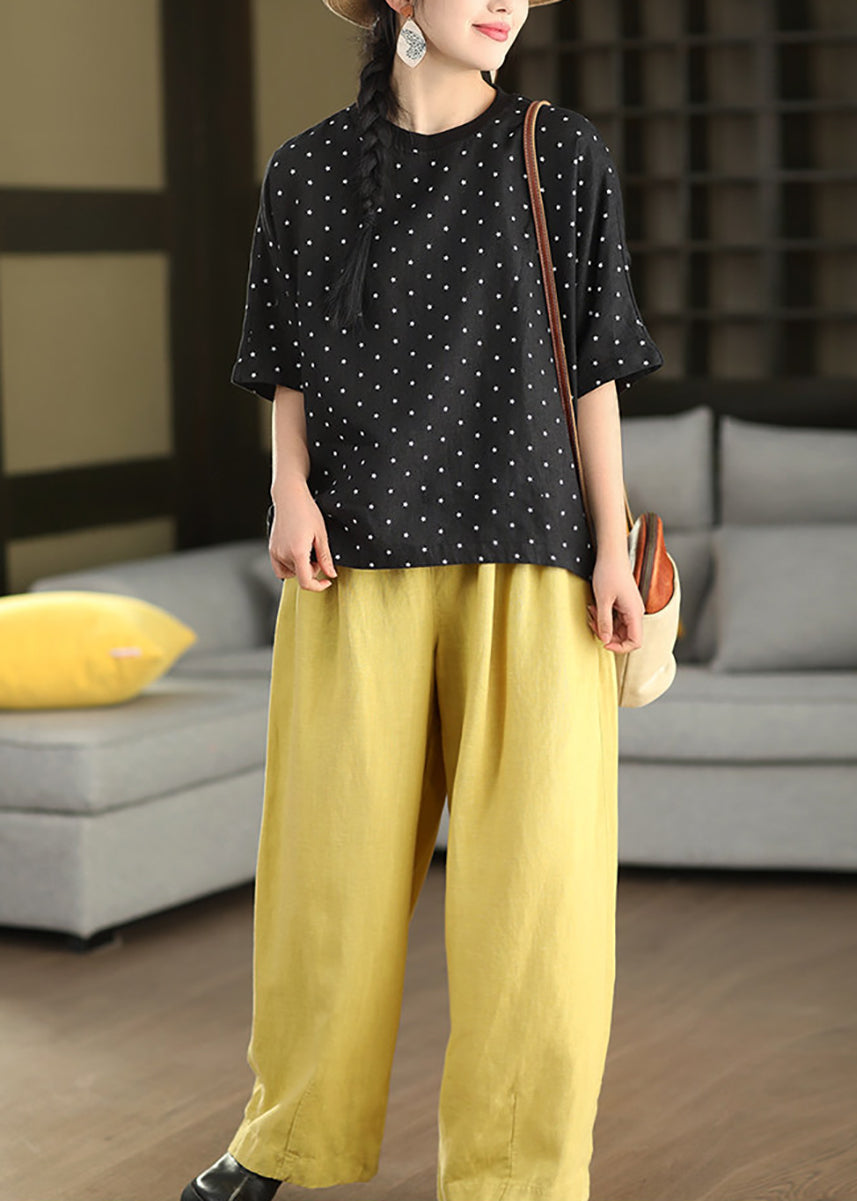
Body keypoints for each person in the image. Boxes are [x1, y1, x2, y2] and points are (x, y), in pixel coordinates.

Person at [180, 1, 663, 1199]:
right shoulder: (306, 171)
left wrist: (612, 545)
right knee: (325, 877)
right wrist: (287, 490)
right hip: (352, 567)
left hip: (534, 567)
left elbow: (595, 367)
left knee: (536, 901)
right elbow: (283, 362)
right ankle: (281, 1138)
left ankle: (517, 1177)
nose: (505, 1)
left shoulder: (560, 152)